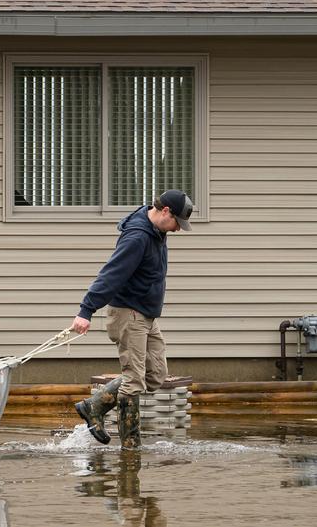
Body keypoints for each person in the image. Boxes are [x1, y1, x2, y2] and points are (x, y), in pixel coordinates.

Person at [71, 189, 193, 449]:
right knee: (134, 379)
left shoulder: (157, 231)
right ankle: (130, 446)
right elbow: (111, 274)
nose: (178, 230)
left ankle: (94, 406)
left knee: (156, 375)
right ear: (165, 211)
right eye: (177, 223)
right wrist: (86, 310)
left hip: (146, 314)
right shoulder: (137, 237)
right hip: (129, 314)